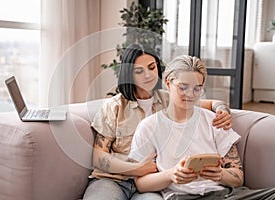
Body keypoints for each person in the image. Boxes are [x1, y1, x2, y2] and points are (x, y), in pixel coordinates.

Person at [83, 45, 232, 200]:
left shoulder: (170, 99)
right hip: (113, 180)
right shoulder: (114, 106)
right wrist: (136, 168)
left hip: (151, 184)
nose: (148, 75)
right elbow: (99, 158)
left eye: (152, 67)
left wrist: (223, 111)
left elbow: (211, 103)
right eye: (139, 71)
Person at [128, 55, 275, 200]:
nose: (190, 95)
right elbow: (141, 184)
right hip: (183, 196)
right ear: (168, 83)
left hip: (228, 194)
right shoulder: (149, 127)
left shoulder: (215, 121)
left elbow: (238, 178)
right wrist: (171, 174)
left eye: (197, 89)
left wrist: (221, 174)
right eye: (183, 87)